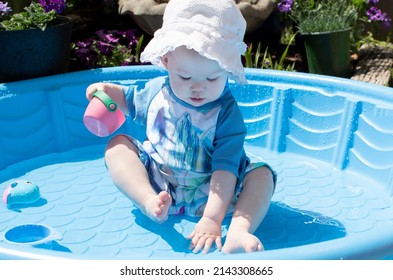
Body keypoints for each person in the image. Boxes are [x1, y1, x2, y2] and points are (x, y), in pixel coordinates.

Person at [86, 0, 276, 254]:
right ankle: (147, 200)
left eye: (212, 77)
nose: (198, 87)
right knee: (117, 146)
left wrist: (212, 219)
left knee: (262, 175)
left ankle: (240, 229)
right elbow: (129, 100)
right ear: (166, 61)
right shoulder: (157, 92)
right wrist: (108, 91)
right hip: (161, 183)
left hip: (211, 189)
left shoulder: (226, 113)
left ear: (228, 69)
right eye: (184, 77)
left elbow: (225, 169)